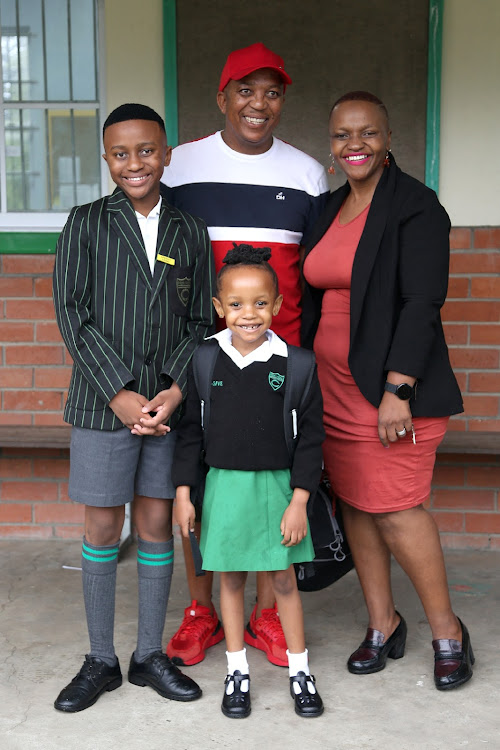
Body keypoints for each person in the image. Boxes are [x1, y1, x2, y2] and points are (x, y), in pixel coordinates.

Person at [162, 42, 329, 669]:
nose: (258, 103)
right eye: (245, 89)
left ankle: (266, 613)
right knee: (205, 483)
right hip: (206, 358)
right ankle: (202, 610)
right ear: (222, 96)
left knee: (268, 485)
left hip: (278, 357)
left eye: (272, 92)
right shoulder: (181, 165)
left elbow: (308, 276)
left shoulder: (307, 172)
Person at [301, 91, 474, 691]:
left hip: (389, 390)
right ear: (332, 143)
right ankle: (383, 624)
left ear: (388, 138)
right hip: (332, 390)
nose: (355, 144)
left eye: (368, 133)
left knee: (399, 512)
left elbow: (423, 302)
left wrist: (399, 388)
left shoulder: (415, 207)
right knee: (356, 510)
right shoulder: (325, 211)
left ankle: (448, 632)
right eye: (344, 134)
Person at [52, 103, 215, 712]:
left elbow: (201, 319)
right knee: (101, 527)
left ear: (167, 153)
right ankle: (101, 659)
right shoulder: (86, 223)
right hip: (102, 407)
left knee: (155, 526)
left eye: (146, 150)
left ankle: (149, 654)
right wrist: (118, 393)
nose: (134, 163)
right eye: (120, 153)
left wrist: (174, 387)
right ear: (106, 158)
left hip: (166, 408)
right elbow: (72, 314)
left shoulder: (188, 229)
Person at [173, 245, 325, 718]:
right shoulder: (204, 360)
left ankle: (300, 670)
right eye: (235, 304)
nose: (248, 314)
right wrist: (183, 493)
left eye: (260, 302)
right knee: (231, 582)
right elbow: (190, 433)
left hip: (277, 491)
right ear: (219, 308)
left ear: (278, 305)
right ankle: (236, 669)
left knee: (282, 581)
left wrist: (300, 500)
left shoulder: (297, 365)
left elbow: (312, 440)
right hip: (224, 490)